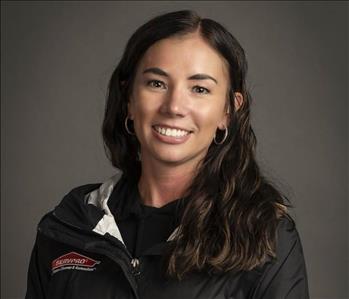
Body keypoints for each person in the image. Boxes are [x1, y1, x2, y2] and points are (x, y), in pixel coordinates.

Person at [25, 9, 309, 299]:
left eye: (199, 89)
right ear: (129, 99)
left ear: (229, 110)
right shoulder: (67, 228)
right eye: (156, 83)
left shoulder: (265, 236)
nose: (174, 106)